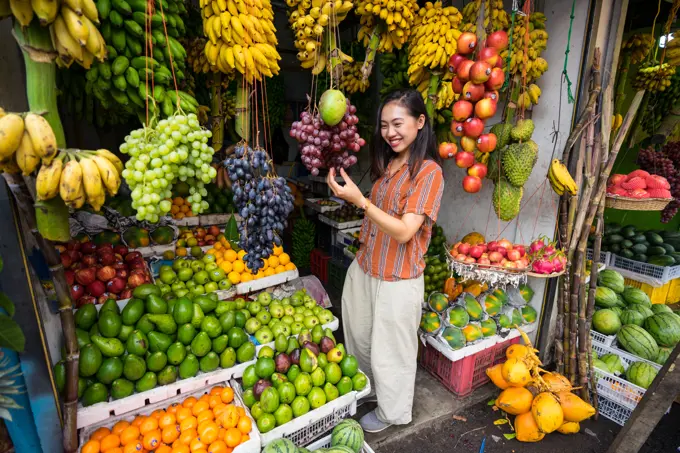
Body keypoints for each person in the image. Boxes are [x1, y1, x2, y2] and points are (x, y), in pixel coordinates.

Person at [326, 89, 445, 433]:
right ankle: (373, 391)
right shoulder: (390, 163)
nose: (390, 132)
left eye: (398, 124)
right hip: (366, 267)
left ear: (420, 122)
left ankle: (393, 412)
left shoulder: (429, 172)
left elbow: (406, 230)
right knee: (361, 339)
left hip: (398, 277)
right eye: (384, 125)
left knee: (392, 351)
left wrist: (361, 201)